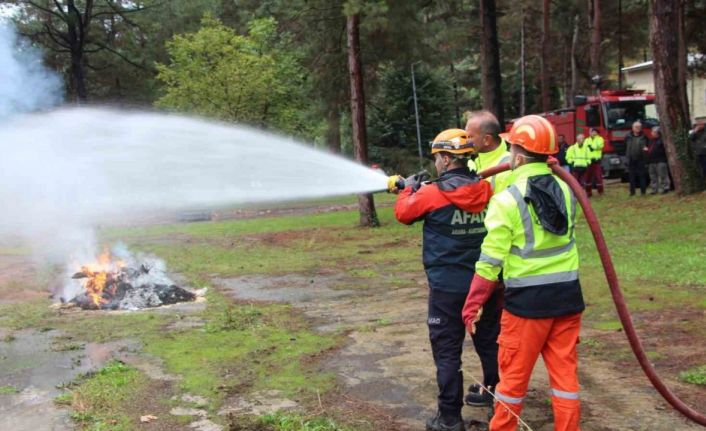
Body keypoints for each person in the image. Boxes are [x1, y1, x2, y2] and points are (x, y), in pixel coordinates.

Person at [461, 115, 585, 431]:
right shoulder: (567, 190)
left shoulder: (507, 200)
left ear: (517, 154)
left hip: (527, 307)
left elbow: (489, 261)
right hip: (568, 300)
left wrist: (473, 303)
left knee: (512, 381)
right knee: (565, 380)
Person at [389, 129, 492, 431]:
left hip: (447, 288)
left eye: (437, 158)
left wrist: (408, 189)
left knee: (448, 352)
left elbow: (403, 214)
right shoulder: (487, 190)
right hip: (484, 285)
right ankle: (500, 404)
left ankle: (449, 418)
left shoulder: (432, 193)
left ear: (447, 159)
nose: (435, 163)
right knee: (490, 345)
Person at [463, 110, 510, 407]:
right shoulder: (473, 160)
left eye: (470, 136)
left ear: (488, 139)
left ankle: (495, 389)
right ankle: (493, 382)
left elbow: (495, 217)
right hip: (480, 256)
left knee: (487, 328)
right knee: (488, 329)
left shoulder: (505, 170)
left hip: (498, 262)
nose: (465, 140)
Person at [625, 121, 649, 196]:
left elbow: (647, 146)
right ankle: (632, 192)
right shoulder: (628, 136)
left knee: (642, 175)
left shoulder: (644, 136)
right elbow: (625, 146)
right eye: (636, 127)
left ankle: (643, 192)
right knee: (631, 176)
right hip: (631, 159)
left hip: (641, 159)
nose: (638, 129)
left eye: (639, 127)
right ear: (632, 128)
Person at [646, 127, 670, 194]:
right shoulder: (651, 141)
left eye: (653, 132)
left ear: (657, 133)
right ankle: (654, 189)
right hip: (651, 161)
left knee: (663, 175)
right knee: (652, 176)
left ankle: (665, 188)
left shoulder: (662, 140)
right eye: (652, 132)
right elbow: (650, 149)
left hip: (660, 160)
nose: (652, 133)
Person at [584, 128, 605, 195]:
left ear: (597, 133)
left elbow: (600, 146)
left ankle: (600, 191)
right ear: (590, 133)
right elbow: (585, 148)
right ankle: (588, 191)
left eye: (595, 132)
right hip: (588, 161)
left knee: (598, 176)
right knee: (588, 177)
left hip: (596, 160)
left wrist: (591, 147)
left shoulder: (600, 139)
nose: (593, 133)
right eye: (592, 132)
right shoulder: (587, 140)